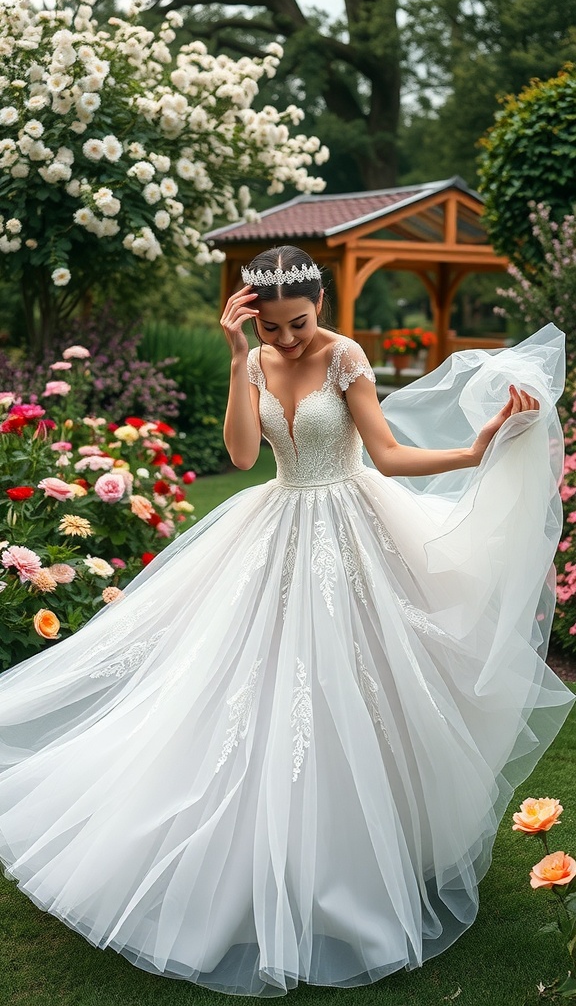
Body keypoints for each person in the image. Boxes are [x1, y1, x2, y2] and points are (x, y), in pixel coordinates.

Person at [0, 244, 573, 998]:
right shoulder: (255, 357)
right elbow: (242, 454)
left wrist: (473, 448)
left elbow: (389, 454)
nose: (287, 340)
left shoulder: (347, 358)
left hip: (353, 528)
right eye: (271, 328)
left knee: (363, 686)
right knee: (248, 686)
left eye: (296, 324)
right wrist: (241, 356)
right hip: (273, 530)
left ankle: (358, 856)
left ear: (321, 309)